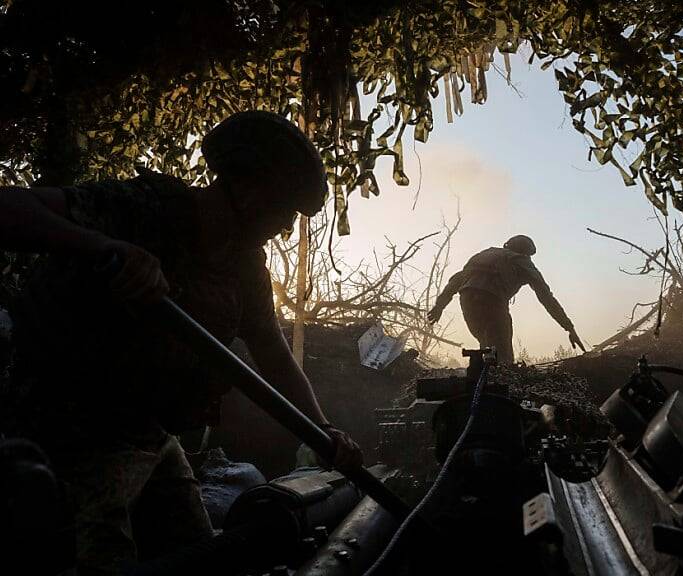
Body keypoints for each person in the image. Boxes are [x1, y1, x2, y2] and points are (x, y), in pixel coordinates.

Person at [0, 111, 362, 574]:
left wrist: (323, 428)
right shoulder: (144, 209)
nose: (284, 226)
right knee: (94, 559)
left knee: (204, 556)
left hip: (151, 433)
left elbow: (271, 351)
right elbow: (9, 207)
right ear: (245, 188)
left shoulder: (245, 265)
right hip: (70, 432)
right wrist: (101, 248)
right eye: (282, 209)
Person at [427, 235, 584, 363]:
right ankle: (501, 391)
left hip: (467, 302)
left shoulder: (484, 255)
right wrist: (568, 327)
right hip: (492, 302)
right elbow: (546, 296)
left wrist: (439, 306)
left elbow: (456, 281)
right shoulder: (521, 260)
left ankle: (483, 386)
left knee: (487, 347)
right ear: (526, 252)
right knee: (503, 356)